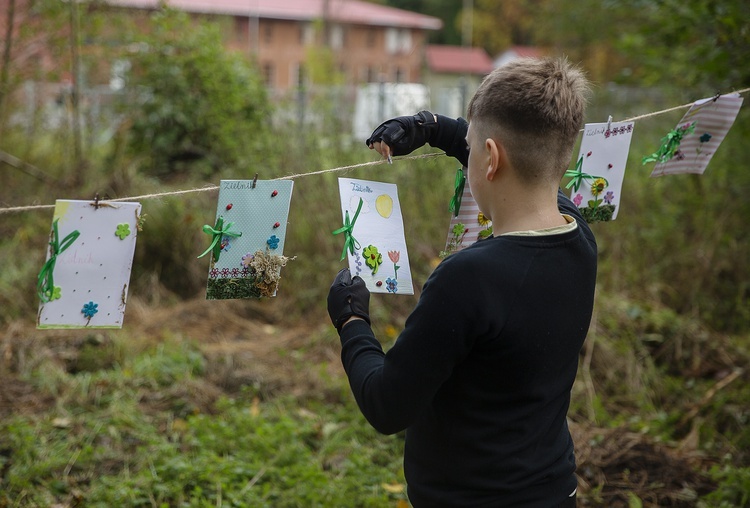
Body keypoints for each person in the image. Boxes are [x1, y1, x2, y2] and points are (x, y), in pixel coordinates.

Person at [327, 57, 597, 507]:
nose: (465, 152)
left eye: (470, 147)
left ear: (489, 157)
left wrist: (352, 320)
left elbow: (388, 405)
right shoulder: (578, 235)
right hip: (552, 490)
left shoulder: (470, 278)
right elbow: (521, 165)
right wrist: (430, 127)